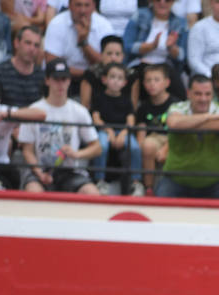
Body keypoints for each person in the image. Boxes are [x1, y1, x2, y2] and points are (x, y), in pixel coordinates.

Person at [18, 59, 102, 194]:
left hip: (70, 171)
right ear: (47, 80)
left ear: (69, 81)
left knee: (91, 193)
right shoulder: (34, 109)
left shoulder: (79, 111)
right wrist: (40, 173)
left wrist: (77, 154)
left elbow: (97, 147)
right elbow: (27, 151)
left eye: (64, 79)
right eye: (56, 79)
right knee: (33, 191)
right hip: (40, 169)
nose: (61, 84)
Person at [155, 73, 219, 198]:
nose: (203, 99)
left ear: (212, 94)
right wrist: (209, 117)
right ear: (188, 93)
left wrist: (188, 123)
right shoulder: (177, 107)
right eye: (198, 94)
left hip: (213, 182)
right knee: (159, 206)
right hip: (176, 180)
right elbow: (173, 123)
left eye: (207, 94)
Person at [90, 62, 142, 192]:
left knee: (135, 147)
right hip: (104, 131)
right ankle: (100, 180)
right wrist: (108, 131)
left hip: (123, 132)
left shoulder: (126, 100)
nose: (115, 81)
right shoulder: (99, 98)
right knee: (101, 146)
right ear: (104, 79)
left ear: (124, 82)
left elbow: (131, 120)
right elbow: (96, 118)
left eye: (119, 78)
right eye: (112, 77)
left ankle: (136, 182)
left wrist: (123, 133)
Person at [44, 0, 114, 85]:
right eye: (78, 5)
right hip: (62, 78)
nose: (82, 10)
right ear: (69, 5)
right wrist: (86, 74)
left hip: (96, 81)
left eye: (87, 5)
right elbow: (52, 63)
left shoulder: (104, 25)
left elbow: (108, 64)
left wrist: (84, 43)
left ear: (94, 6)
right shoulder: (57, 24)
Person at [134, 63, 175, 194]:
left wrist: (165, 149)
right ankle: (148, 188)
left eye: (156, 80)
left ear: (167, 83)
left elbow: (177, 133)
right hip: (152, 141)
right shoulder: (143, 108)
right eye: (148, 80)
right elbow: (141, 134)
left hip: (172, 139)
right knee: (147, 146)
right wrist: (141, 151)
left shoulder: (176, 105)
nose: (152, 84)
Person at [0, 26, 44, 110]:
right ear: (16, 43)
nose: (32, 49)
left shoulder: (42, 76)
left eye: (36, 45)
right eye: (28, 43)